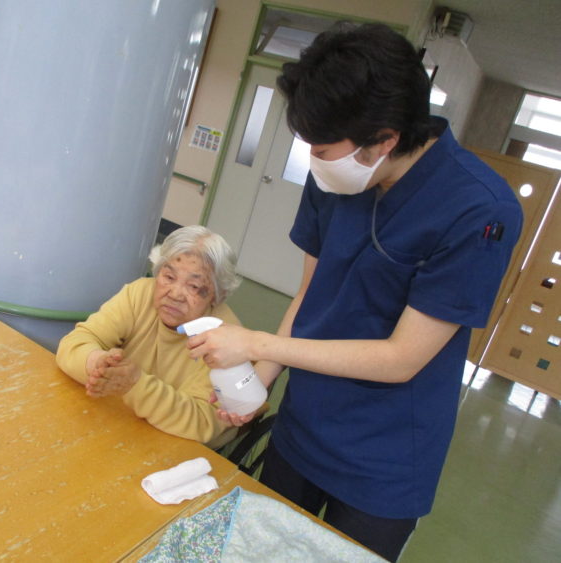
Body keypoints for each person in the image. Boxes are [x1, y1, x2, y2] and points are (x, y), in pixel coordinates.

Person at [186, 22, 523, 561]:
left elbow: (401, 359)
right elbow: (310, 294)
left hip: (384, 460)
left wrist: (256, 345)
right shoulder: (337, 177)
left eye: (323, 148)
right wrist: (258, 381)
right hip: (303, 424)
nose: (314, 160)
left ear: (383, 141)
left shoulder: (479, 210)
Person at [56, 225, 241, 448]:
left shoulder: (228, 338)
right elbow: (73, 345)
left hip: (178, 448)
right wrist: (99, 364)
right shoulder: (139, 294)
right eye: (169, 277)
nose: (175, 294)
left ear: (217, 296)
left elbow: (203, 422)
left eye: (193, 286)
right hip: (122, 424)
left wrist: (135, 384)